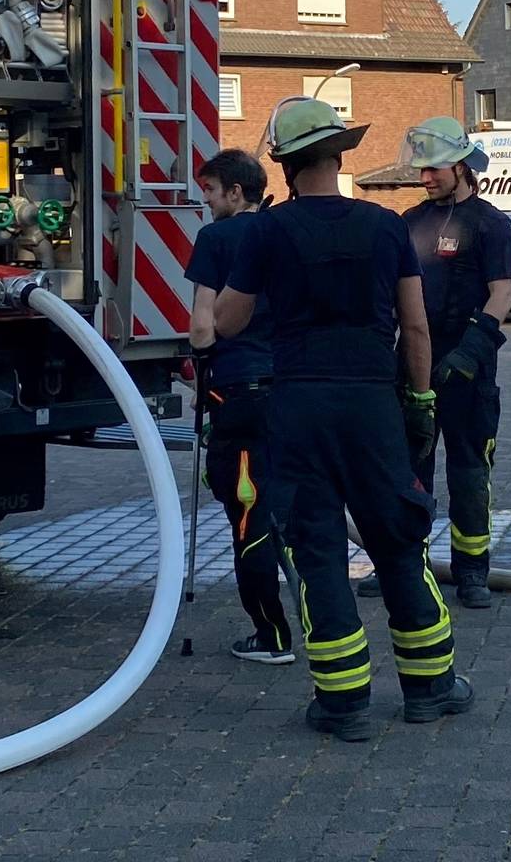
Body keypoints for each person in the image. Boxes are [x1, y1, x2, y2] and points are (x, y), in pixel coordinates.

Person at [217, 97, 472, 741]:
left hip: (298, 404)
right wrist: (419, 401)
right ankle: (430, 689)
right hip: (372, 402)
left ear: (281, 165)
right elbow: (414, 324)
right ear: (339, 155)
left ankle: (343, 703)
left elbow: (228, 321)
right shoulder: (385, 227)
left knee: (319, 548)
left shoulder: (266, 232)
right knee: (396, 539)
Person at [386, 116, 511, 609]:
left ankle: (472, 572)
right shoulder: (409, 223)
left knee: (469, 474)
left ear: (463, 165)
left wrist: (474, 347)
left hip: (468, 369)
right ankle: (409, 565)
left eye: (436, 169)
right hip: (414, 365)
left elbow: (503, 291)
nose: (426, 178)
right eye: (421, 171)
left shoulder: (489, 224)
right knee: (409, 472)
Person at [185, 148, 294, 665]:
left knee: (248, 512)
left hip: (237, 389)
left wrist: (198, 362)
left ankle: (271, 635)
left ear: (235, 191)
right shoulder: (282, 230)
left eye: (210, 190)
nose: (204, 200)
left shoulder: (218, 238)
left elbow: (203, 323)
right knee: (286, 506)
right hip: (291, 387)